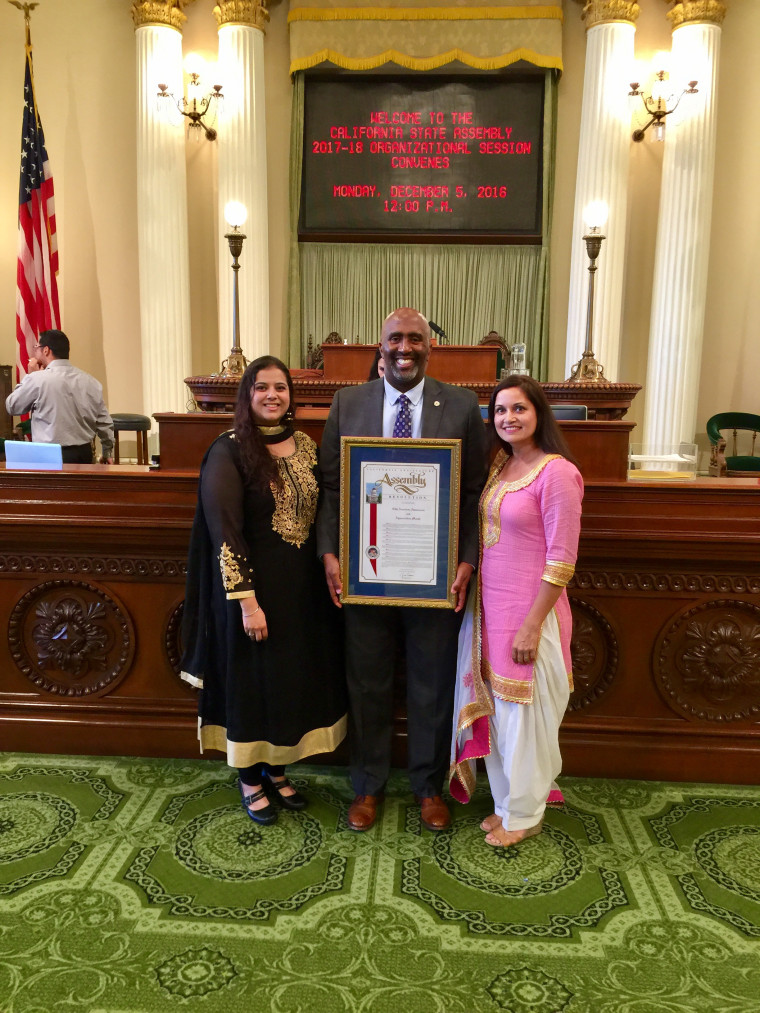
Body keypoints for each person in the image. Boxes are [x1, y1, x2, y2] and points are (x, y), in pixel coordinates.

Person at [317, 307, 487, 832]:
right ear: (380, 346)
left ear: (429, 349)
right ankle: (367, 787)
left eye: (414, 339)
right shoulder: (349, 402)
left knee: (431, 684)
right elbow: (329, 486)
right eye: (395, 338)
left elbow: (475, 489)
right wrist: (329, 553)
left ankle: (428, 787)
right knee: (367, 684)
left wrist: (466, 558)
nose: (404, 348)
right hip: (366, 574)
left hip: (435, 579)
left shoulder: (459, 405)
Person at [180, 356, 347, 825]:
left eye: (280, 387)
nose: (273, 395)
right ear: (246, 395)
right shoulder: (228, 451)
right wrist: (248, 602)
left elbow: (327, 512)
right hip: (250, 594)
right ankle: (249, 777)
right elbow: (224, 531)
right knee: (253, 682)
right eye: (261, 387)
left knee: (287, 680)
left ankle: (275, 766)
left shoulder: (308, 448)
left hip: (301, 593)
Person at [449, 375, 583, 846]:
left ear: (539, 413)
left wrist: (530, 627)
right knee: (500, 715)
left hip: (531, 620)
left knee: (523, 718)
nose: (508, 418)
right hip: (490, 614)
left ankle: (526, 814)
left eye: (519, 409)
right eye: (500, 410)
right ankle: (506, 805)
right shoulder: (500, 466)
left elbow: (562, 560)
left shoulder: (557, 473)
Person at [5, 329, 114, 464]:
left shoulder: (37, 379)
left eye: (37, 348)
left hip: (48, 456)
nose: (35, 352)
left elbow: (12, 406)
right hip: (83, 454)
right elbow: (104, 422)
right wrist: (107, 451)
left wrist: (29, 376)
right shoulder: (91, 382)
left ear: (46, 350)